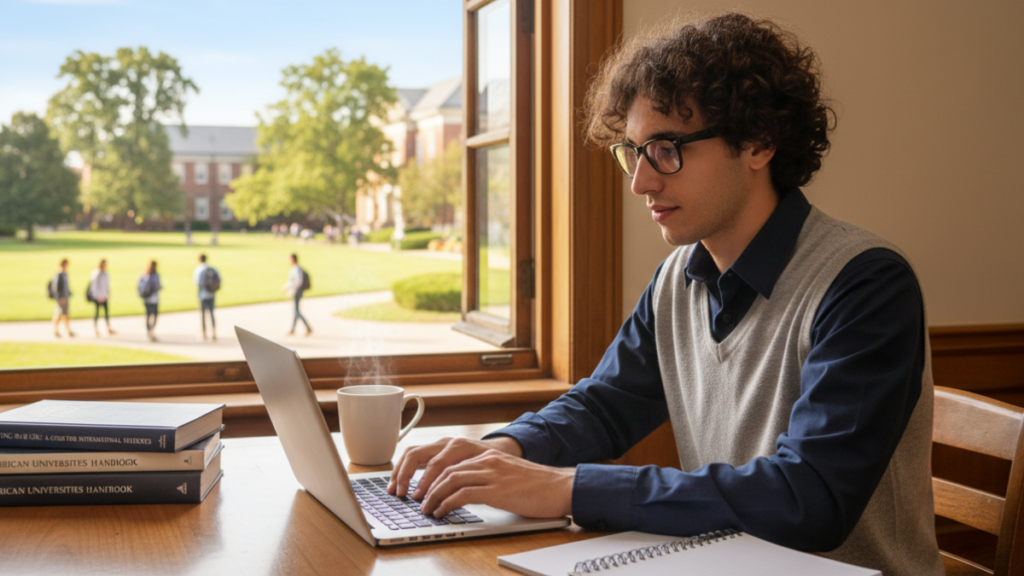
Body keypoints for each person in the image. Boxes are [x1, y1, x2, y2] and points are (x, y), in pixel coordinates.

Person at [388, 13, 941, 576]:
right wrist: (505, 449)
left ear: (759, 142)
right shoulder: (677, 277)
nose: (641, 182)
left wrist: (567, 488)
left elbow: (811, 497)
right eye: (632, 152)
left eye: (667, 149)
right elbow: (605, 406)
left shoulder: (866, 284)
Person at [282, 253, 312, 336]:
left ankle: (308, 328)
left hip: (297, 292)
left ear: (293, 259)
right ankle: (293, 329)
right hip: (296, 291)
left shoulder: (296, 269)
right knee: (296, 311)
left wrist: (293, 290)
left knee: (297, 311)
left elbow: (298, 281)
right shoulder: (295, 268)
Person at [193, 254, 218, 342]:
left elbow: (197, 284)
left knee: (203, 315)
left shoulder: (198, 270)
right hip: (211, 294)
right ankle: (214, 333)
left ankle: (204, 334)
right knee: (211, 314)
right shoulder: (211, 269)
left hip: (203, 295)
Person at [88, 258, 116, 336]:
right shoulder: (96, 273)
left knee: (106, 313)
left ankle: (108, 328)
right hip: (98, 297)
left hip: (104, 296)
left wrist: (107, 294)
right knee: (96, 313)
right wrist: (98, 296)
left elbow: (107, 285)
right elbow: (94, 286)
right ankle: (95, 329)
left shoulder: (106, 273)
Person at [138, 260, 162, 342]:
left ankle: (149, 331)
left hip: (146, 299)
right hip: (154, 299)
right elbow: (158, 286)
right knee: (154, 315)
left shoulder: (145, 274)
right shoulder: (155, 275)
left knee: (148, 316)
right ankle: (151, 331)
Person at [50, 258, 74, 338]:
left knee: (65, 314)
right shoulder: (59, 273)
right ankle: (56, 330)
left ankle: (68, 330)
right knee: (59, 314)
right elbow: (56, 287)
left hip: (65, 296)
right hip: (61, 298)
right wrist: (60, 297)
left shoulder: (65, 273)